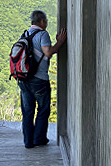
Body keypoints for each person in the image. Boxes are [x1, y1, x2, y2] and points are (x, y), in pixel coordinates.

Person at [18, 10, 67, 148]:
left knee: (27, 112)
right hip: (39, 79)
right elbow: (48, 52)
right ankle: (39, 139)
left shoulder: (26, 34)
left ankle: (28, 141)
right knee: (43, 109)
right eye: (45, 21)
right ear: (42, 21)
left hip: (23, 78)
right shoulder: (42, 34)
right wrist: (60, 42)